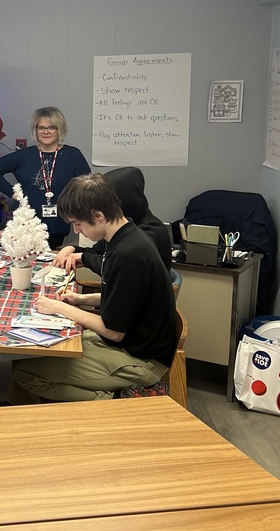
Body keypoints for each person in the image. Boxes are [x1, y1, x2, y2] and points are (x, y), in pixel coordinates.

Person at [9, 173, 177, 403]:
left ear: (98, 215)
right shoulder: (123, 238)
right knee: (34, 353)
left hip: (141, 361)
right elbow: (125, 299)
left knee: (24, 373)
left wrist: (59, 307)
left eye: (77, 224)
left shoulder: (129, 255)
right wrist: (80, 301)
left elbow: (113, 331)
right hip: (129, 345)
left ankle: (111, 403)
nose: (76, 231)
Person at [0, 106, 89, 249]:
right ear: (35, 130)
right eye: (41, 128)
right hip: (26, 225)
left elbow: (87, 185)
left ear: (60, 130)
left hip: (58, 223)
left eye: (52, 127)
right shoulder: (24, 155)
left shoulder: (73, 155)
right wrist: (13, 192)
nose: (46, 132)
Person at [53, 166, 172, 273]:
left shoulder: (148, 234)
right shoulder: (119, 231)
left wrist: (84, 258)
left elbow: (117, 265)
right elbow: (99, 251)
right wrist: (72, 249)